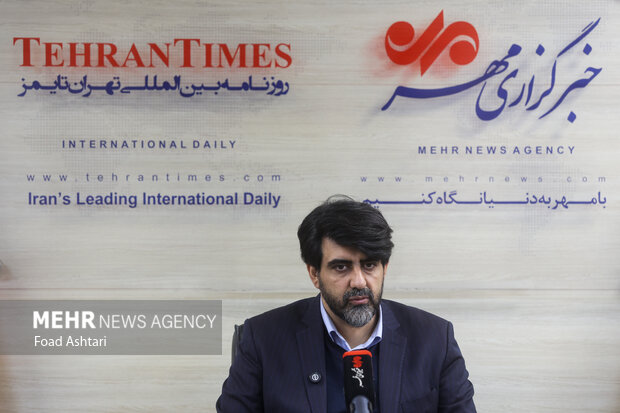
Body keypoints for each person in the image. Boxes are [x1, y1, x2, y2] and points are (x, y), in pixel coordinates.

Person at [217, 196, 476, 412]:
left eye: (369, 265)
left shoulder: (434, 339)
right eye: (341, 267)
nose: (359, 281)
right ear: (314, 274)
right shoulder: (263, 339)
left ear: (385, 268)